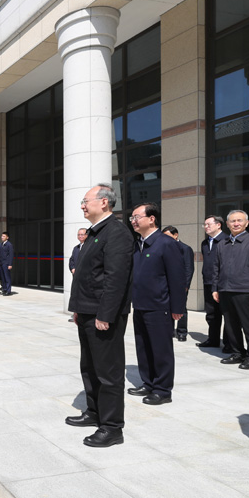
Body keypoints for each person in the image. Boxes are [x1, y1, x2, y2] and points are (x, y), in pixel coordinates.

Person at [66, 184, 133, 448]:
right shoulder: (95, 233)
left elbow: (116, 280)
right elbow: (88, 276)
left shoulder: (116, 233)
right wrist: (78, 309)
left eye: (86, 201)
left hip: (103, 316)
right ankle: (94, 412)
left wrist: (105, 314)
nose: (82, 205)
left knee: (109, 372)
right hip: (87, 312)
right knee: (90, 367)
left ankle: (112, 427)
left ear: (104, 202)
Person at [129, 204, 186, 405]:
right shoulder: (138, 244)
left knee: (161, 349)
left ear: (152, 218)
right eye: (132, 218)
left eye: (137, 217)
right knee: (143, 347)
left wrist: (178, 308)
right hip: (140, 305)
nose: (133, 221)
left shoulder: (166, 244)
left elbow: (177, 278)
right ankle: (148, 382)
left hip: (160, 306)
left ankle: (162, 390)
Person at [213, 210, 249, 370]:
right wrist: (215, 288)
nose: (236, 223)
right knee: (231, 325)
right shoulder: (222, 244)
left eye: (239, 220)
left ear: (246, 223)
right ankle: (238, 352)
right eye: (232, 221)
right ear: (227, 224)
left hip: (245, 290)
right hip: (225, 289)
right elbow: (216, 268)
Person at [198, 215, 230, 351]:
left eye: (208, 224)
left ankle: (229, 343)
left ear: (219, 225)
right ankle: (213, 339)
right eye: (204, 224)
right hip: (208, 282)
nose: (206, 227)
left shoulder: (227, 241)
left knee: (227, 314)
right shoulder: (205, 243)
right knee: (211, 314)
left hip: (223, 284)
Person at [161, 226, 194, 342]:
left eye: (168, 236)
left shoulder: (185, 249)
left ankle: (182, 332)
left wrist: (186, 286)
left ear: (176, 235)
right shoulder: (164, 248)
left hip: (181, 285)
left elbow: (189, 269)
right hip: (167, 285)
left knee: (181, 308)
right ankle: (169, 331)